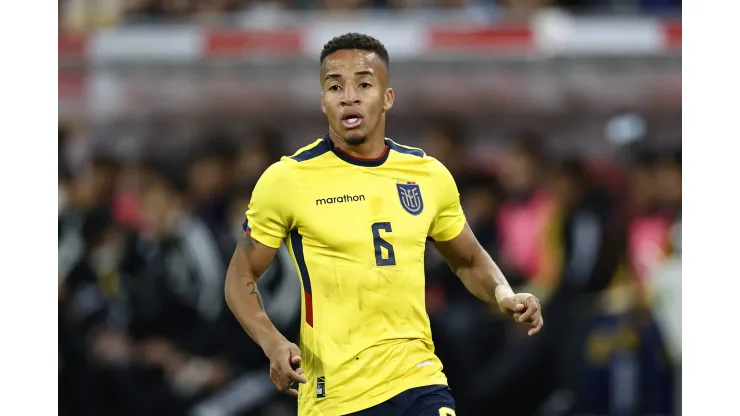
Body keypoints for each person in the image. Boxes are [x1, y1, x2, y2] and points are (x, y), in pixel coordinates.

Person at [224, 33, 544, 416]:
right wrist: (273, 342)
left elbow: (469, 259)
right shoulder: (287, 180)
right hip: (336, 393)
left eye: (363, 84)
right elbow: (239, 277)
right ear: (323, 101)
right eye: (335, 86)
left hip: (418, 377)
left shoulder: (427, 175)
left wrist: (504, 294)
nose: (349, 96)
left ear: (387, 97)